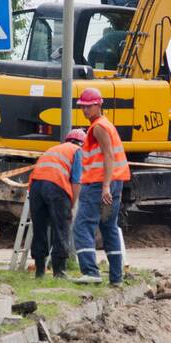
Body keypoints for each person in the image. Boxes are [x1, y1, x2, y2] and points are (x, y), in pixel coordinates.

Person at [72, 87, 130, 286]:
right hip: (115, 182)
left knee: (82, 226)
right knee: (108, 227)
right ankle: (116, 277)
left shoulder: (98, 127)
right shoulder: (106, 125)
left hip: (99, 184)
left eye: (89, 106)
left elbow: (108, 155)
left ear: (98, 105)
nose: (85, 110)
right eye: (83, 107)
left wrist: (105, 186)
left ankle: (90, 272)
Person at [27, 129, 85, 279]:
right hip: (56, 187)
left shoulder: (53, 149)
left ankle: (40, 271)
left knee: (39, 228)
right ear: (82, 143)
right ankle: (59, 272)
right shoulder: (77, 150)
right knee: (61, 227)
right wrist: (71, 204)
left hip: (35, 187)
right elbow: (77, 181)